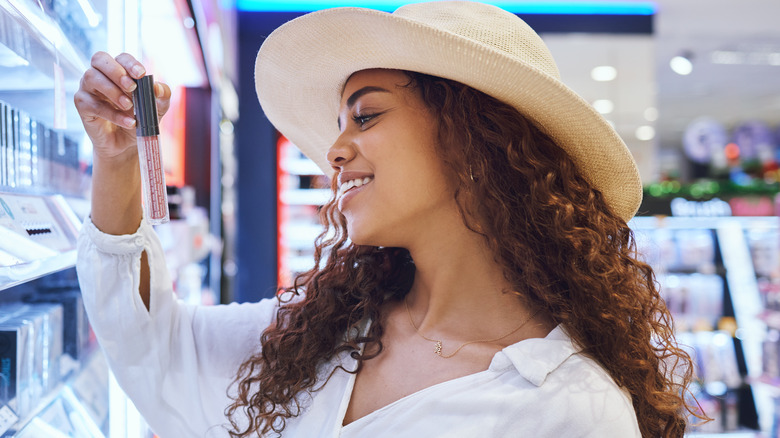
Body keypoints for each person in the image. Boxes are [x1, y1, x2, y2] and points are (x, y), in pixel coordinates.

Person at [75, 1, 701, 437]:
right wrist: (118, 159)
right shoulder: (327, 333)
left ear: (472, 140)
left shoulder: (570, 411)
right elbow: (151, 342)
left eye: (366, 116)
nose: (335, 150)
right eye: (340, 125)